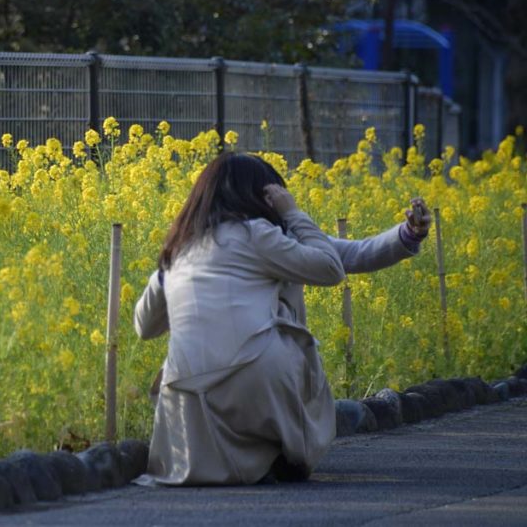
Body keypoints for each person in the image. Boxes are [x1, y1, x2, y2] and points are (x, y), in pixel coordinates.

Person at [133, 152, 432, 486]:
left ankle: (255, 456)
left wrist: (405, 235)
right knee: (293, 342)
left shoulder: (181, 249)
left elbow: (144, 327)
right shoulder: (257, 234)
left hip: (184, 398)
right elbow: (333, 267)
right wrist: (293, 213)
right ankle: (292, 450)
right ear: (261, 196)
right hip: (252, 377)